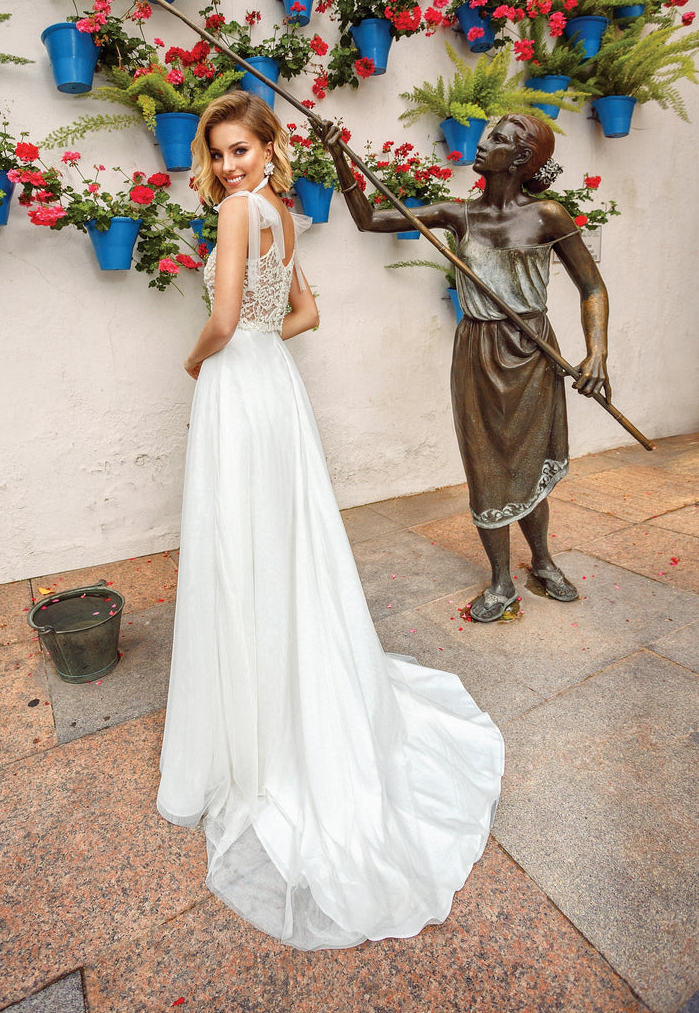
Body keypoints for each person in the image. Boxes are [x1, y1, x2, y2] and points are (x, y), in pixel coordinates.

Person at [156, 90, 504, 950]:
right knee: (281, 545)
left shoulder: (240, 211)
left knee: (246, 546)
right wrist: (259, 344)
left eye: (243, 149)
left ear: (270, 150)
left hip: (242, 389)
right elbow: (303, 312)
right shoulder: (281, 214)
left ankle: (262, 720)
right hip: (274, 386)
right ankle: (288, 688)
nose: (232, 166)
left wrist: (197, 358)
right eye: (221, 153)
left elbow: (227, 316)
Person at [321, 114, 611, 623]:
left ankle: (542, 560)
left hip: (534, 350)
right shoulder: (458, 215)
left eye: (498, 139)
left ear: (521, 158)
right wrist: (339, 159)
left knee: (530, 463)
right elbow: (369, 221)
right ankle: (501, 580)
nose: (482, 143)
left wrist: (597, 354)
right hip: (477, 349)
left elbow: (593, 287)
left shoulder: (549, 216)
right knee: (487, 466)